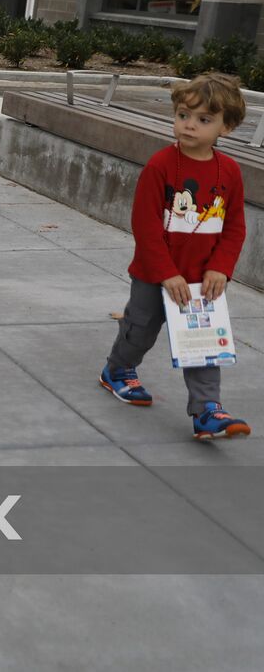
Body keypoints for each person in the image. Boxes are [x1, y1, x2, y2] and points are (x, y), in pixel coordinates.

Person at [100, 73, 250, 439]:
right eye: (183, 115)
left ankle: (206, 411)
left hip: (203, 282)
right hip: (155, 276)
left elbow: (234, 227)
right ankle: (117, 370)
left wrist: (221, 268)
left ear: (225, 128)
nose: (189, 125)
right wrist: (166, 272)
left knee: (203, 344)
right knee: (142, 330)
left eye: (203, 120)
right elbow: (146, 227)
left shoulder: (228, 171)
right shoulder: (161, 166)